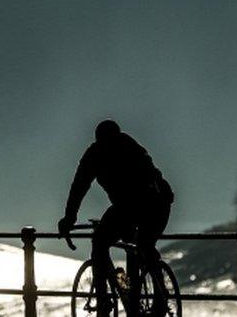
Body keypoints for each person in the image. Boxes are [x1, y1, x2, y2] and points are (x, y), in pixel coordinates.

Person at [58, 119, 174, 316]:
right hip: (144, 204)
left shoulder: (103, 152)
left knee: (116, 243)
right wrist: (69, 217)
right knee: (133, 244)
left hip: (150, 202)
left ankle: (147, 299)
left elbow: (79, 187)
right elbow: (79, 186)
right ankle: (124, 297)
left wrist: (69, 219)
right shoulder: (121, 146)